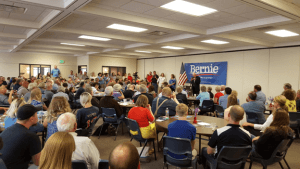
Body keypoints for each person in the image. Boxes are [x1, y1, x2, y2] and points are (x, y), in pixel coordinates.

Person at [0, 104, 42, 169]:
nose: (38, 117)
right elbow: (38, 162)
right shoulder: (32, 136)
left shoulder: (6, 130)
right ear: (32, 119)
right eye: (36, 114)